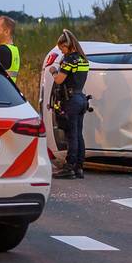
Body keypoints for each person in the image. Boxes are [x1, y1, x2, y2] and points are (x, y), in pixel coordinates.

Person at [48, 29, 89, 179]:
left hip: (71, 100)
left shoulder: (69, 60)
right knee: (78, 134)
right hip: (81, 98)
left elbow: (59, 80)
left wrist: (53, 70)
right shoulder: (83, 59)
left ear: (68, 44)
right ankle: (79, 167)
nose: (62, 51)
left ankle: (69, 167)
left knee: (71, 135)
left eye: (62, 48)